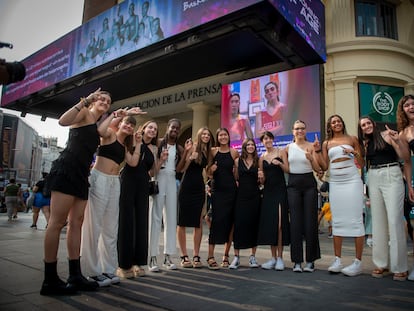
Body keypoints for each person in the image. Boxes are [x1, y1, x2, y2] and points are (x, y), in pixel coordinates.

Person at [40, 88, 111, 296]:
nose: (105, 102)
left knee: (77, 223)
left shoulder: (97, 125)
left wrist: (118, 115)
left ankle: (75, 275)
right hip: (67, 169)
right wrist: (85, 100)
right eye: (102, 98)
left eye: (108, 101)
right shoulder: (83, 113)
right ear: (93, 100)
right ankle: (49, 279)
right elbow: (62, 121)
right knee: (56, 222)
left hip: (82, 175)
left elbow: (104, 132)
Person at [80, 108, 146, 287]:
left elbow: (132, 162)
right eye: (127, 123)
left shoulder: (125, 146)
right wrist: (118, 115)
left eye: (132, 125)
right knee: (94, 226)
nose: (129, 127)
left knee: (110, 228)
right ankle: (91, 271)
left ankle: (108, 269)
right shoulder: (109, 134)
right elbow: (99, 131)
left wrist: (139, 143)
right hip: (99, 179)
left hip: (114, 182)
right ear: (121, 123)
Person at [359, 116, 410, 281]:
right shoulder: (366, 144)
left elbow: (404, 157)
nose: (366, 126)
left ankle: (400, 267)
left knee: (395, 220)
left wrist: (397, 141)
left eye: (368, 123)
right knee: (378, 221)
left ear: (373, 124)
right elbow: (364, 165)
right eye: (363, 125)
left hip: (392, 173)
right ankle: (381, 264)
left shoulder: (387, 135)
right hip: (373, 176)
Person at [313, 114, 365, 277]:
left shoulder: (353, 138)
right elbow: (324, 165)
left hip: (352, 179)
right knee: (337, 219)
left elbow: (362, 163)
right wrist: (316, 151)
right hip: (335, 181)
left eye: (339, 121)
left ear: (342, 123)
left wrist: (354, 153)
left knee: (356, 218)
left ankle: (357, 262)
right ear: (330, 126)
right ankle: (337, 259)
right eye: (333, 122)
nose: (337, 123)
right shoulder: (326, 143)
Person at [117, 120, 162, 278]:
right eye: (150, 127)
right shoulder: (133, 141)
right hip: (128, 181)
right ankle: (123, 265)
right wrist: (137, 144)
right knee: (127, 221)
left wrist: (160, 159)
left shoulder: (154, 148)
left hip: (143, 183)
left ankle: (138, 263)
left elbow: (152, 172)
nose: (153, 130)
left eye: (155, 129)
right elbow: (132, 163)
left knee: (142, 222)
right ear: (144, 129)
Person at [286, 120, 321, 273]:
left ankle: (311, 261)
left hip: (309, 184)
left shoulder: (311, 146)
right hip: (293, 184)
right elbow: (286, 168)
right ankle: (297, 262)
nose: (300, 131)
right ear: (292, 131)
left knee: (310, 222)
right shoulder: (287, 148)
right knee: (295, 223)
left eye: (302, 128)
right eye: (297, 128)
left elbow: (318, 169)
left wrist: (312, 158)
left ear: (305, 130)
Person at [148, 118, 183, 272]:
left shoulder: (180, 148)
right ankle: (152, 256)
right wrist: (161, 160)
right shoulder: (159, 143)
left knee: (171, 218)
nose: (174, 130)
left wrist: (188, 152)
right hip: (159, 178)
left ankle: (168, 256)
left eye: (177, 129)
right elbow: (153, 169)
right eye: (172, 127)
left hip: (172, 181)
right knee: (155, 218)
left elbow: (180, 169)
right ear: (168, 127)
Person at [177, 127, 214, 269]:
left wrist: (212, 172)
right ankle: (184, 255)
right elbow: (181, 169)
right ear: (199, 136)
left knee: (198, 222)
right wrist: (187, 154)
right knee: (182, 222)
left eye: (208, 134)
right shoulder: (191, 147)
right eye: (203, 134)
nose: (206, 136)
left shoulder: (208, 152)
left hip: (199, 188)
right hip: (186, 187)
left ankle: (196, 255)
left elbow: (209, 172)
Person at [206, 128, 239, 270]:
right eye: (220, 135)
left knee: (230, 223)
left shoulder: (234, 152)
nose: (223, 137)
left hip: (231, 191)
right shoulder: (213, 151)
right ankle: (210, 256)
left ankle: (226, 256)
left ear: (228, 137)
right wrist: (211, 170)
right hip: (217, 190)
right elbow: (207, 172)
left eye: (225, 135)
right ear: (217, 137)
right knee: (216, 222)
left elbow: (236, 175)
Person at [257, 131, 290, 271]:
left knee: (280, 224)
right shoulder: (261, 157)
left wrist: (279, 164)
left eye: (269, 138)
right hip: (268, 191)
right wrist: (260, 178)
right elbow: (262, 180)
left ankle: (281, 258)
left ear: (272, 139)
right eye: (265, 139)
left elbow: (288, 170)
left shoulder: (280, 152)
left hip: (280, 190)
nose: (267, 140)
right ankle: (273, 258)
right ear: (262, 142)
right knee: (271, 224)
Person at [228, 138, 261, 269]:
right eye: (248, 145)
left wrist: (262, 177)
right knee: (239, 225)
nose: (251, 146)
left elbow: (261, 180)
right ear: (244, 147)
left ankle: (253, 257)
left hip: (255, 196)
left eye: (253, 144)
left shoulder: (259, 162)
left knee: (254, 225)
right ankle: (236, 257)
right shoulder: (237, 161)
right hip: (241, 196)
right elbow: (235, 178)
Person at [397, 94, 414, 282]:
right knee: (413, 223)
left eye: (413, 104)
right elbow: (407, 162)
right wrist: (409, 184)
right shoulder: (404, 133)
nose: (411, 107)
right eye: (407, 105)